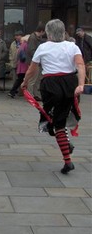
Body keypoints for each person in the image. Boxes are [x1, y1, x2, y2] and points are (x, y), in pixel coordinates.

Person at [21, 19, 85, 175]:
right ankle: (65, 142)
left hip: (51, 85)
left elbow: (32, 69)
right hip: (70, 84)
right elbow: (80, 65)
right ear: (63, 33)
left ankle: (67, 161)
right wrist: (81, 85)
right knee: (58, 119)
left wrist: (24, 82)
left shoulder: (43, 47)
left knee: (55, 124)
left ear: (48, 33)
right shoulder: (72, 46)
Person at [25, 23, 46, 101]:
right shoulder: (33, 37)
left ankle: (36, 94)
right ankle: (30, 96)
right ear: (41, 31)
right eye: (44, 32)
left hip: (38, 61)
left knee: (37, 79)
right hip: (33, 61)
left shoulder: (38, 37)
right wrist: (39, 56)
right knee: (32, 80)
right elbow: (31, 50)